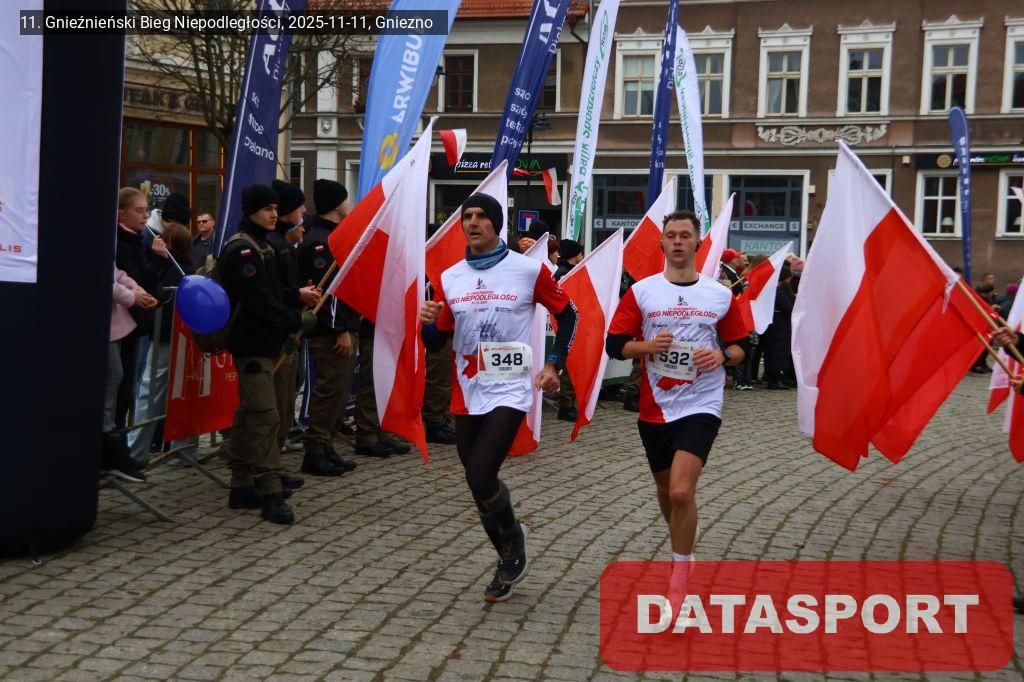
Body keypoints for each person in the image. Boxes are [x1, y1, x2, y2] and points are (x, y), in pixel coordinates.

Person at [419, 193, 578, 602]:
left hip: (510, 385)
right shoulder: (451, 277)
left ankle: (511, 553)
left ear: (496, 223)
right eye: (466, 216)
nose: (472, 223)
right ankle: (510, 539)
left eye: (481, 216)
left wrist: (554, 364)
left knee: (480, 474)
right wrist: (428, 323)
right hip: (468, 389)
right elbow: (437, 340)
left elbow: (569, 314)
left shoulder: (528, 270)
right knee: (477, 483)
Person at [604, 209, 747, 593]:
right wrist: (647, 347)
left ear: (697, 243)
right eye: (672, 235)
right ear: (662, 243)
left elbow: (741, 347)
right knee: (667, 492)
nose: (679, 241)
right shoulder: (643, 292)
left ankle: (680, 577)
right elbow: (615, 344)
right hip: (656, 406)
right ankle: (684, 537)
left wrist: (721, 356)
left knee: (682, 491)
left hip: (701, 403)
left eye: (685, 235)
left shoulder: (719, 295)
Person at [218, 184, 317, 524]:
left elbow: (274, 292)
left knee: (250, 415)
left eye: (275, 208)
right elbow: (258, 301)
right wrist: (294, 319)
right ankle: (270, 491)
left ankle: (241, 484)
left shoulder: (262, 245)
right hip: (251, 344)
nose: (274, 214)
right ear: (251, 211)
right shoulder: (243, 250)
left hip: (265, 341)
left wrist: (295, 299)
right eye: (267, 209)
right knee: (264, 416)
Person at [296, 179, 358, 475]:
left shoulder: (333, 235)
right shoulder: (322, 241)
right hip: (329, 332)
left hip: (339, 326)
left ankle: (327, 445)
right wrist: (340, 330)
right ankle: (315, 450)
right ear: (336, 205)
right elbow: (328, 292)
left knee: (339, 392)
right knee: (330, 391)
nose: (350, 204)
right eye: (346, 199)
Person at [128, 221, 195, 465]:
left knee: (150, 393)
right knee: (185, 393)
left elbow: (150, 288)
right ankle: (185, 450)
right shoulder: (190, 269)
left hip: (164, 337)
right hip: (186, 338)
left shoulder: (168, 267)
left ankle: (136, 451)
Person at [268, 180, 322, 454]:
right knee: (277, 395)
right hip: (277, 333)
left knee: (288, 390)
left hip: (289, 329)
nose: (304, 213)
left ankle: (279, 444)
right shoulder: (274, 244)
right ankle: (270, 453)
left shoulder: (284, 245)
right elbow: (271, 291)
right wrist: (297, 294)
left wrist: (301, 294)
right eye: (300, 207)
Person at [115, 188, 170, 429]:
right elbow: (141, 279)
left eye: (146, 210)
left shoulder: (137, 239)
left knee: (129, 384)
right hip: (123, 324)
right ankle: (115, 435)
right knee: (122, 384)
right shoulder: (122, 243)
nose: (145, 216)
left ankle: (119, 435)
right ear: (121, 214)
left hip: (137, 323)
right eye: (139, 211)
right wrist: (158, 258)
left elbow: (146, 282)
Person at [104, 266, 157, 482]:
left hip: (115, 320)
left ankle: (109, 439)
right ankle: (106, 438)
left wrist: (138, 292)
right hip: (99, 318)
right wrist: (132, 297)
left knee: (116, 379)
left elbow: (115, 272)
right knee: (113, 376)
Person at [554, 239, 584, 421]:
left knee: (573, 363)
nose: (582, 256)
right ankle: (566, 405)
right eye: (580, 253)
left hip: (576, 324)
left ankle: (571, 402)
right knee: (570, 364)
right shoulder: (565, 274)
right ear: (575, 255)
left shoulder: (568, 271)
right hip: (569, 326)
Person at [760, 263, 796, 389]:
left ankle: (775, 378)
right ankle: (775, 379)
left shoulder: (774, 289)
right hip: (779, 325)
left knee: (775, 351)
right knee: (777, 352)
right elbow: (788, 307)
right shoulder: (779, 291)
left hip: (776, 324)